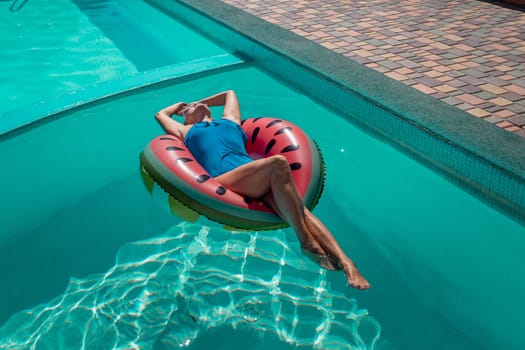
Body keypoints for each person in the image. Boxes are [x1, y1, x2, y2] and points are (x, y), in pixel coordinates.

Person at [155, 90, 370, 290]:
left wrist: (201, 102)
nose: (198, 104)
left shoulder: (230, 121)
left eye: (200, 103)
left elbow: (229, 93)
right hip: (226, 178)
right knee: (278, 163)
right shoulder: (185, 130)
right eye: (192, 107)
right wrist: (179, 107)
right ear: (184, 117)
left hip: (254, 175)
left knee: (302, 212)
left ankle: (348, 264)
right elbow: (160, 114)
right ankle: (305, 240)